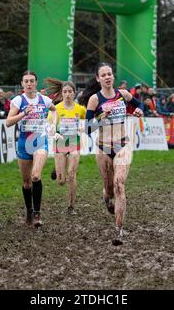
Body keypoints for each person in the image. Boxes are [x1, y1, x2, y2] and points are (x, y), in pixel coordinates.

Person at [80, 62, 144, 245]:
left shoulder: (123, 95)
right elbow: (87, 128)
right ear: (98, 79)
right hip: (103, 148)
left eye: (109, 74)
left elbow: (138, 104)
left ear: (113, 77)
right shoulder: (94, 99)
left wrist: (140, 109)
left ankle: (119, 230)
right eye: (104, 75)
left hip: (123, 145)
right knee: (108, 189)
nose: (107, 77)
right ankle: (106, 199)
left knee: (119, 185)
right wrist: (102, 117)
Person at [6, 71, 57, 228]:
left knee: (36, 176)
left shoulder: (44, 100)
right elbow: (8, 122)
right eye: (26, 81)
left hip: (40, 141)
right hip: (23, 142)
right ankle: (29, 210)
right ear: (22, 84)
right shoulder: (18, 100)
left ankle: (37, 214)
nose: (29, 84)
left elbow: (54, 110)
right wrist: (23, 113)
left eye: (32, 81)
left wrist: (53, 124)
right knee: (27, 182)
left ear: (36, 83)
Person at [45, 78, 86, 215]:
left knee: (72, 175)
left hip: (74, 142)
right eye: (65, 91)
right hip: (61, 142)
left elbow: (84, 123)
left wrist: (82, 128)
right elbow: (48, 126)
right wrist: (55, 134)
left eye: (70, 91)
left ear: (74, 93)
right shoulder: (56, 109)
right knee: (61, 181)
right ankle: (57, 171)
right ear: (61, 94)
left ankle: (71, 206)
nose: (67, 94)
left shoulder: (80, 109)